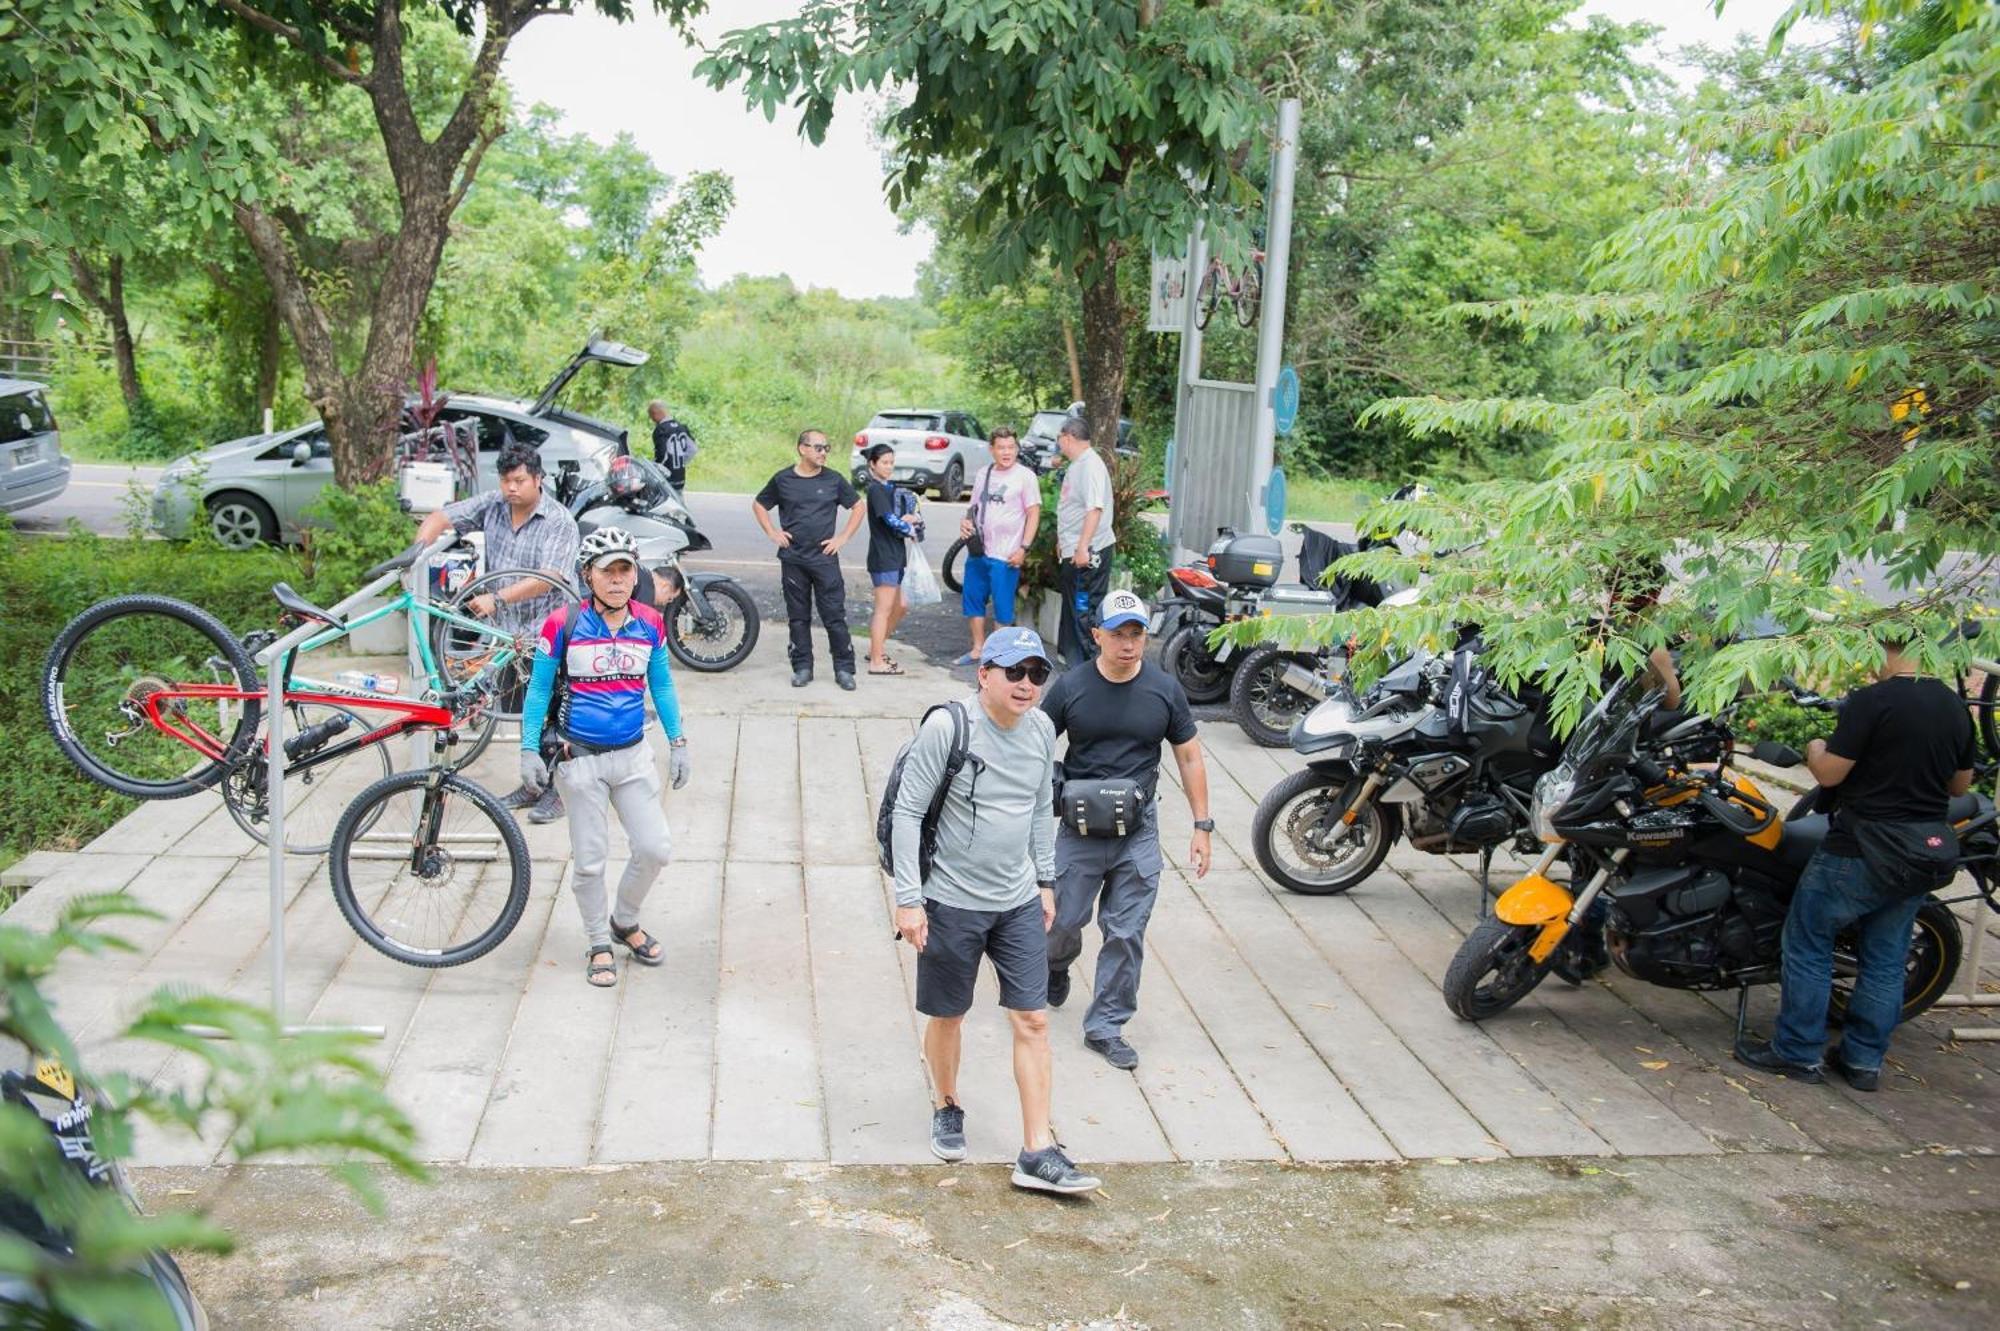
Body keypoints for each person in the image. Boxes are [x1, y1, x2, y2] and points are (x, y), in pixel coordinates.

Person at [891, 627, 1100, 1195]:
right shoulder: (948, 727)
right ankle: (947, 1101)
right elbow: (909, 812)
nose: (1027, 685)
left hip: (1016, 903)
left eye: (1037, 674)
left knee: (1032, 1019)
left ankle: (1037, 1149)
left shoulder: (1037, 731)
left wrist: (1044, 880)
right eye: (1015, 672)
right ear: (984, 674)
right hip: (952, 900)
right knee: (949, 1015)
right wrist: (910, 898)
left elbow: (1039, 810)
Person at [1736, 633, 1976, 1089]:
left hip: (1860, 847)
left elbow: (1829, 773)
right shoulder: (1952, 705)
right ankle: (1864, 1062)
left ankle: (1798, 1052)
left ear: (1883, 649)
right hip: (1917, 851)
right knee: (1886, 959)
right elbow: (1959, 787)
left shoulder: (1873, 700)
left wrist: (1814, 746)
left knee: (1808, 942)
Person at [1040, 590, 1211, 1069]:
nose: (1129, 644)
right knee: (1064, 919)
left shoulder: (1163, 690)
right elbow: (1035, 745)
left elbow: (1190, 755)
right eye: (1118, 634)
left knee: (1126, 930)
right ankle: (1055, 965)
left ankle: (1107, 1024)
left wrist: (1202, 825)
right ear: (1097, 636)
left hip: (1137, 827)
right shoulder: (1071, 688)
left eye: (1136, 634)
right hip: (1079, 827)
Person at [516, 527, 692, 987]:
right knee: (590, 860)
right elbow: (537, 690)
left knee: (656, 848)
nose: (617, 580)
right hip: (581, 760)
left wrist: (678, 742)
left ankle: (624, 921)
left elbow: (663, 685)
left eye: (625, 570)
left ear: (636, 575)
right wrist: (528, 748)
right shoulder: (563, 623)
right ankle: (598, 940)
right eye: (606, 572)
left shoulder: (651, 623)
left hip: (633, 756)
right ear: (587, 576)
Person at [415, 440, 580, 824]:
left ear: (538, 480)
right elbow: (441, 518)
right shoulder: (494, 505)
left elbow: (550, 579)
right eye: (507, 480)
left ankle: (558, 792)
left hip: (549, 629)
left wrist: (497, 599)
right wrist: (416, 553)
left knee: (557, 711)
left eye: (520, 480)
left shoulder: (558, 520)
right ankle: (533, 782)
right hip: (510, 637)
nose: (512, 489)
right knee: (527, 710)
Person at [752, 429, 866, 690]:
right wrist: (772, 532)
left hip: (825, 560)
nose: (823, 452)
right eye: (818, 447)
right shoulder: (783, 479)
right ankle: (802, 667)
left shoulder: (834, 480)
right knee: (798, 617)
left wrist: (842, 538)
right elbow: (759, 504)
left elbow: (858, 507)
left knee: (834, 616)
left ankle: (844, 669)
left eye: (826, 448)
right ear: (802, 449)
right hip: (793, 558)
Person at [954, 426, 1041, 667]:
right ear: (991, 449)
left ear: (1017, 449)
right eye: (1001, 447)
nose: (1006, 452)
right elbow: (973, 507)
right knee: (973, 599)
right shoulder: (984, 473)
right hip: (979, 550)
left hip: (1007, 554)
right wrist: (966, 522)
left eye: (1011, 447)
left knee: (1003, 607)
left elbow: (1033, 514)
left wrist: (1024, 547)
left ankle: (998, 656)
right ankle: (977, 649)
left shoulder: (1025, 476)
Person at [1053, 416, 1115, 667]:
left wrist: (1081, 546)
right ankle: (1073, 659)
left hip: (1088, 553)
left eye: (1059, 439)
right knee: (1073, 607)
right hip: (1074, 549)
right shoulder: (1078, 464)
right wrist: (1064, 541)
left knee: (1085, 609)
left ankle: (1091, 665)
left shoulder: (1091, 466)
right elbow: (1073, 508)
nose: (1059, 444)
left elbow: (1094, 510)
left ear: (1068, 437)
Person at [860, 443, 922, 676]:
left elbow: (897, 516)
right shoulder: (876, 490)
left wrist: (908, 518)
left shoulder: (889, 488)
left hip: (896, 555)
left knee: (901, 605)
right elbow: (888, 519)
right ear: (872, 465)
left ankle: (877, 648)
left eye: (891, 463)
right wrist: (909, 525)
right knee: (883, 609)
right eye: (884, 463)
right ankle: (877, 661)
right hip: (882, 556)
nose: (889, 467)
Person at [648, 401, 698, 491]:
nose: (651, 419)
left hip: (666, 478)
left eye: (651, 415)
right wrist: (681, 461)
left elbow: (662, 455)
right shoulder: (681, 427)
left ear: (656, 413)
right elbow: (693, 449)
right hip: (680, 477)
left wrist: (655, 469)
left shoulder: (661, 430)